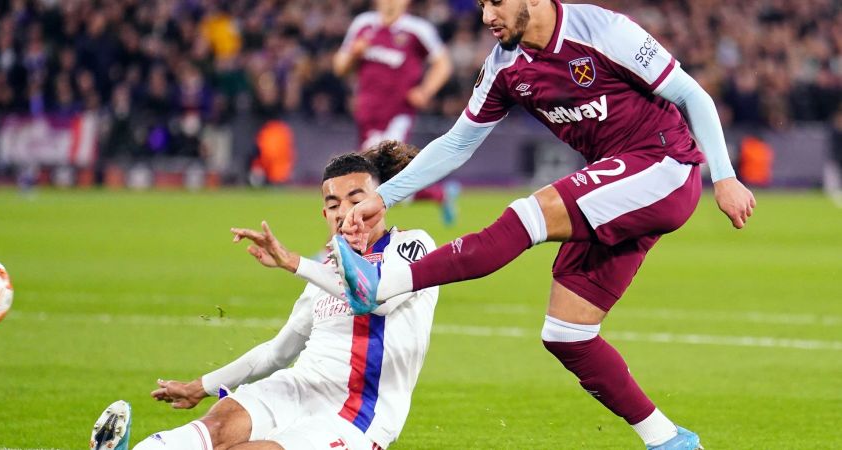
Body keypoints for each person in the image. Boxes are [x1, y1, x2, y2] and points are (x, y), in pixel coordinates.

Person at [330, 1, 757, 449]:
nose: (486, 17)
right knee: (568, 334)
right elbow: (457, 143)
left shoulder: (603, 29)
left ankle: (382, 284)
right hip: (616, 186)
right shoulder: (504, 67)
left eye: (495, 2)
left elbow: (693, 95)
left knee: (527, 215)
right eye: (480, 5)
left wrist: (724, 177)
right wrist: (385, 196)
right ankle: (670, 440)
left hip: (663, 164)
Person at [89, 142, 439, 450]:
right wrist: (202, 386)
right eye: (333, 204)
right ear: (325, 214)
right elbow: (276, 352)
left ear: (381, 203)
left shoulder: (411, 245)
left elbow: (376, 296)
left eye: (356, 200)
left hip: (355, 418)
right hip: (297, 389)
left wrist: (293, 262)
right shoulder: (324, 275)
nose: (344, 212)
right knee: (218, 425)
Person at [334, 0, 460, 225]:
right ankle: (439, 194)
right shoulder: (363, 24)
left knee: (370, 178)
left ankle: (344, 242)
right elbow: (340, 66)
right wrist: (355, 54)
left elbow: (443, 63)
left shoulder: (417, 29)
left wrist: (425, 91)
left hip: (396, 115)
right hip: (367, 115)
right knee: (383, 181)